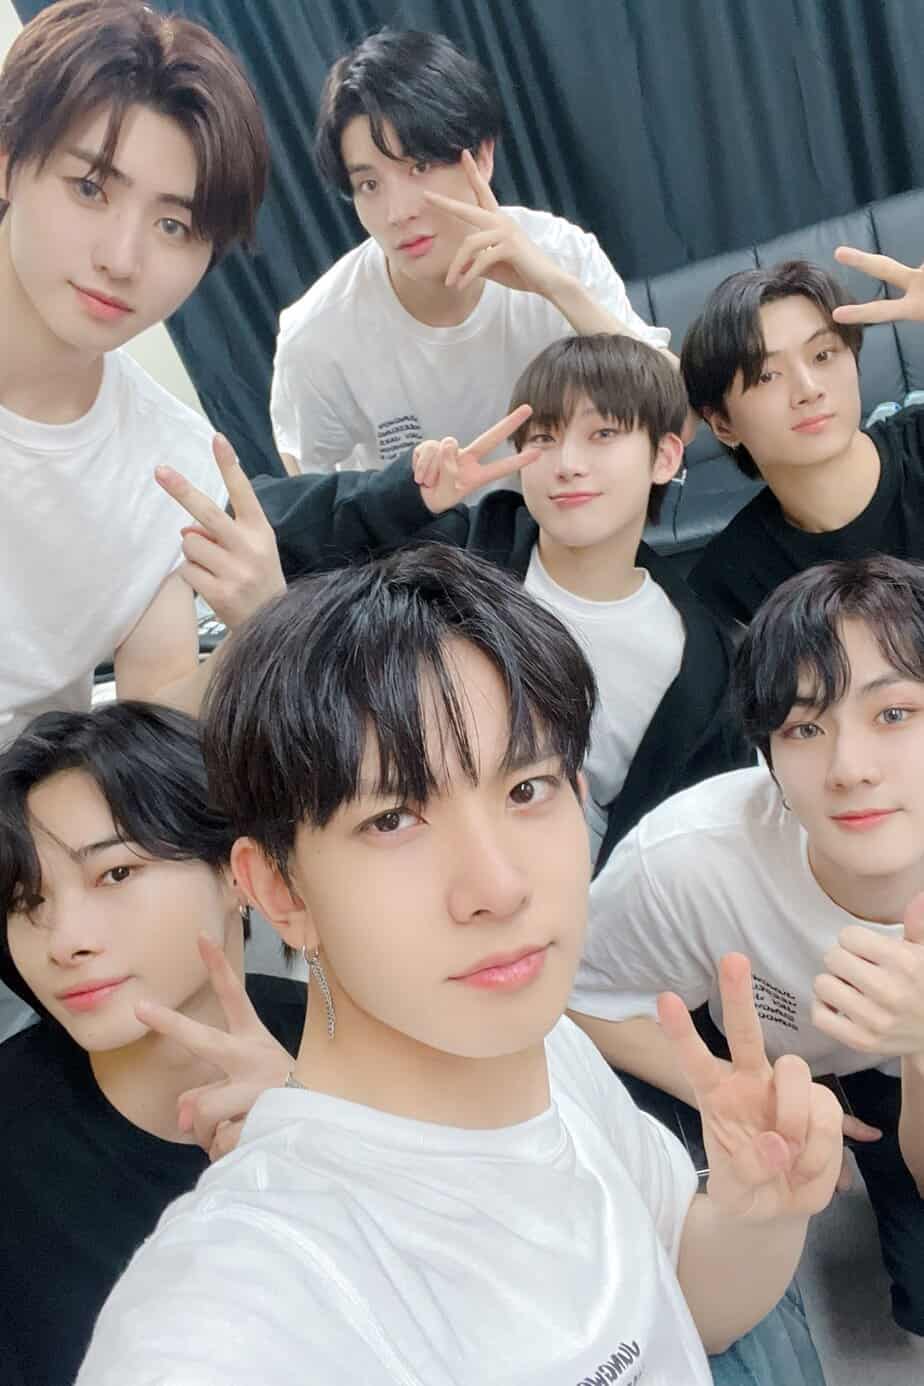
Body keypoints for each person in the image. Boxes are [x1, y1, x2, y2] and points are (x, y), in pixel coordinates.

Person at [75, 543, 842, 1384]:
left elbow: (685, 1301)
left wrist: (759, 1215)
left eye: (526, 790)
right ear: (280, 891)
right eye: (393, 820)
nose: (498, 888)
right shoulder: (229, 1313)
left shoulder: (553, 1056)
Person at [0, 0, 295, 1040]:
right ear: (9, 163)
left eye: (174, 225)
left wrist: (262, 622)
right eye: (90, 187)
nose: (123, 258)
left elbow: (154, 725)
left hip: (23, 853)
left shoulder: (167, 457)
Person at [569, 554, 924, 1337]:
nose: (850, 769)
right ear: (767, 754)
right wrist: (724, 1086)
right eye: (805, 728)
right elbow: (582, 995)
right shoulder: (691, 859)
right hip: (761, 1051)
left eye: (894, 714)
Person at [257, 333, 750, 871]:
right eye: (544, 438)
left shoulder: (701, 663)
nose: (568, 463)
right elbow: (266, 520)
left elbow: (703, 839)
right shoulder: (455, 555)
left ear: (664, 456)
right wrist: (405, 496)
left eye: (603, 434)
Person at [0, 702, 304, 1386]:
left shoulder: (364, 1051)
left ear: (237, 872)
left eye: (115, 874)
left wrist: (323, 1148)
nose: (65, 941)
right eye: (27, 901)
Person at [270, 28, 672, 476]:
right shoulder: (317, 337)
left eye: (420, 166)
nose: (398, 213)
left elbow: (680, 418)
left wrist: (558, 290)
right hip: (423, 524)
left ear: (482, 156)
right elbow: (311, 502)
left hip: (571, 510)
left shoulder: (560, 252)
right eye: (369, 184)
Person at [681, 258, 924, 627]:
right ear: (723, 424)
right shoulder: (731, 587)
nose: (808, 390)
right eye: (766, 376)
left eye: (822, 355)